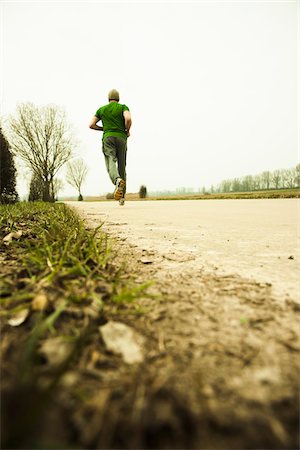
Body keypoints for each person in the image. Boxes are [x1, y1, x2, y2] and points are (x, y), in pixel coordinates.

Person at [89, 89, 132, 205]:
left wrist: (103, 129)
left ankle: (117, 180)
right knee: (122, 166)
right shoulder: (123, 107)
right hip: (122, 138)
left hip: (108, 138)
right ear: (118, 98)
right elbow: (128, 118)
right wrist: (127, 130)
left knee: (111, 161)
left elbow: (91, 124)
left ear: (108, 98)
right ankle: (122, 198)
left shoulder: (102, 110)